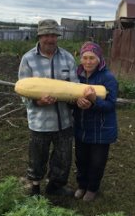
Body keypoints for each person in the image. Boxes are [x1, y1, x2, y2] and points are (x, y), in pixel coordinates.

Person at [18, 19, 78, 196]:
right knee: (37, 158)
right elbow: (22, 90)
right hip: (40, 121)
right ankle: (35, 187)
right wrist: (37, 102)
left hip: (64, 120)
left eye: (53, 35)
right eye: (46, 35)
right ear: (40, 36)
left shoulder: (67, 57)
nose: (50, 39)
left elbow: (75, 85)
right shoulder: (28, 59)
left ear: (58, 37)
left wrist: (73, 99)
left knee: (63, 158)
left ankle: (55, 187)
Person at [73, 41, 118, 202]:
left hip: (101, 129)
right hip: (82, 127)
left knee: (97, 162)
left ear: (99, 59)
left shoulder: (108, 78)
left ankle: (92, 188)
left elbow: (111, 105)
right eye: (85, 57)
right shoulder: (76, 76)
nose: (88, 61)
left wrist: (94, 101)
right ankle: (82, 185)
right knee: (81, 159)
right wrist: (76, 102)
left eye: (92, 58)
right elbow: (71, 98)